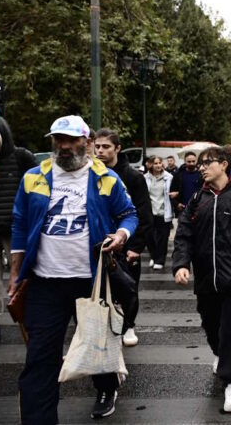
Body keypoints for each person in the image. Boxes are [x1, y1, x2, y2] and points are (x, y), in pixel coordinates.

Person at [8, 115, 137, 422]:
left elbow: (129, 214)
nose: (64, 147)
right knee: (40, 360)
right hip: (44, 283)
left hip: (90, 283)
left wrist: (121, 235)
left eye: (70, 141)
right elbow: (19, 224)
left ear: (86, 142)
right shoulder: (33, 177)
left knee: (97, 349)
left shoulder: (106, 178)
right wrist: (15, 275)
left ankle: (106, 387)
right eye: (58, 140)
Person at [172, 146, 231, 413]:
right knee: (211, 324)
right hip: (206, 280)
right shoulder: (198, 198)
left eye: (207, 162)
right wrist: (181, 263)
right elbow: (184, 234)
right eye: (200, 164)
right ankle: (220, 354)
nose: (201, 167)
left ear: (224, 164)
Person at [94, 128, 153, 347]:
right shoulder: (91, 174)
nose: (100, 150)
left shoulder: (133, 177)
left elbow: (143, 214)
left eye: (106, 146)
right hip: (100, 244)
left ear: (117, 148)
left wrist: (135, 247)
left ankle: (129, 325)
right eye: (97, 146)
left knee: (128, 287)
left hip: (127, 246)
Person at [0, 116, 37, 344]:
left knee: (22, 275)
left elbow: (38, 187)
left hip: (15, 228)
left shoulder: (21, 157)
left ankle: (30, 318)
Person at [144, 156, 173, 270]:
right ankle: (154, 256)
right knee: (149, 236)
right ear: (150, 165)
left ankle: (160, 260)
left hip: (163, 211)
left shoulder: (169, 177)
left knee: (163, 237)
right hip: (150, 212)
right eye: (155, 163)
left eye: (160, 163)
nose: (158, 165)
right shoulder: (145, 177)